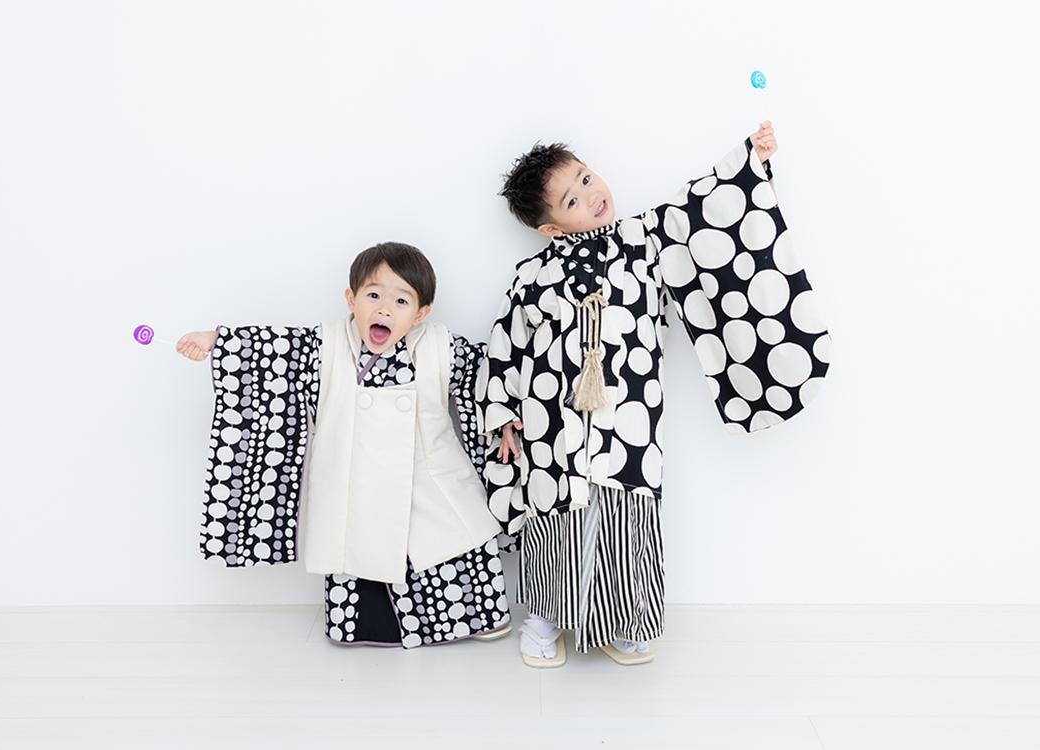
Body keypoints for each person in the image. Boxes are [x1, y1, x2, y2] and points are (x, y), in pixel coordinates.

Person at [485, 122, 832, 667]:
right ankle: (545, 617)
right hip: (552, 419)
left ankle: (622, 620)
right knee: (556, 513)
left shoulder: (646, 239)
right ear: (550, 228)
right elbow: (507, 343)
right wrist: (504, 414)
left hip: (630, 413)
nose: (591, 195)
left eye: (586, 178)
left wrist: (748, 165)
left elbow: (705, 214)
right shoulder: (531, 277)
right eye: (572, 199)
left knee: (627, 514)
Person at [176, 242, 512, 648]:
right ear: (351, 299)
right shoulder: (327, 345)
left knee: (452, 542)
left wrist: (504, 415)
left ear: (421, 313)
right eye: (373, 295)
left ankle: (475, 618)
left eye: (401, 300)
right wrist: (216, 341)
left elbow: (490, 376)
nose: (384, 309)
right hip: (355, 490)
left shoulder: (442, 347)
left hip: (429, 485)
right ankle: (369, 627)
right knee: (359, 548)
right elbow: (275, 350)